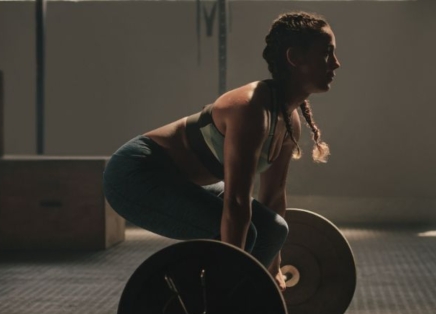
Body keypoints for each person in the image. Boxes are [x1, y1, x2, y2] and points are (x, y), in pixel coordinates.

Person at [103, 11, 340, 290]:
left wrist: (273, 268)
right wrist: (231, 276)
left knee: (274, 229)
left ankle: (239, 301)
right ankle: (206, 303)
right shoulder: (251, 108)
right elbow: (237, 202)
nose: (336, 64)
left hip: (181, 182)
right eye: (327, 53)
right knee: (239, 235)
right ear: (294, 58)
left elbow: (273, 197)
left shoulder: (289, 121)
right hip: (134, 176)